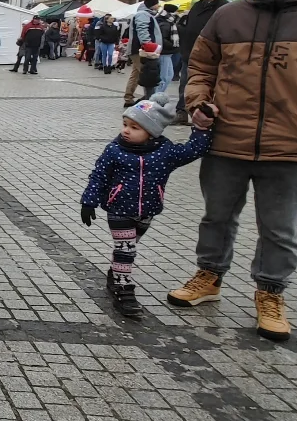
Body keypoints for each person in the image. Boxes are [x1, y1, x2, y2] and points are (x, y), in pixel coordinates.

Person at [173, 0, 297, 342]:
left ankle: (270, 293)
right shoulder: (229, 16)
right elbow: (199, 67)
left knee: (280, 228)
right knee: (216, 216)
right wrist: (199, 102)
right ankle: (209, 277)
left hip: (292, 145)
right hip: (226, 138)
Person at [81, 93, 213, 317]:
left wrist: (202, 129)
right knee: (126, 249)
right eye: (125, 124)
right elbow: (99, 176)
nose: (126, 130)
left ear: (151, 132)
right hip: (119, 209)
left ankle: (115, 273)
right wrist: (89, 201)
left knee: (128, 247)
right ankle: (123, 288)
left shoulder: (165, 152)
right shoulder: (114, 151)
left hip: (147, 211)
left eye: (135, 127)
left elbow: (193, 150)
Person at [175, 0, 227, 125]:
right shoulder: (197, 6)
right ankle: (182, 112)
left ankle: (209, 114)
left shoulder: (224, 8)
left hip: (213, 55)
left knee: (211, 85)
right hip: (190, 53)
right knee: (185, 83)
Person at [123, 0, 162, 107]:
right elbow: (142, 29)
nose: (158, 6)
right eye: (157, 4)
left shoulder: (144, 14)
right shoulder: (143, 14)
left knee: (136, 75)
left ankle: (128, 97)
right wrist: (148, 45)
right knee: (148, 75)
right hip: (142, 50)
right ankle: (149, 101)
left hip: (138, 49)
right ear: (152, 5)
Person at [155, 3, 181, 93]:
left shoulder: (166, 22)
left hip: (167, 53)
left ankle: (158, 95)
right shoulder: (166, 23)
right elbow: (162, 39)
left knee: (169, 75)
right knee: (165, 77)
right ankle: (156, 97)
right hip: (164, 53)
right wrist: (173, 45)